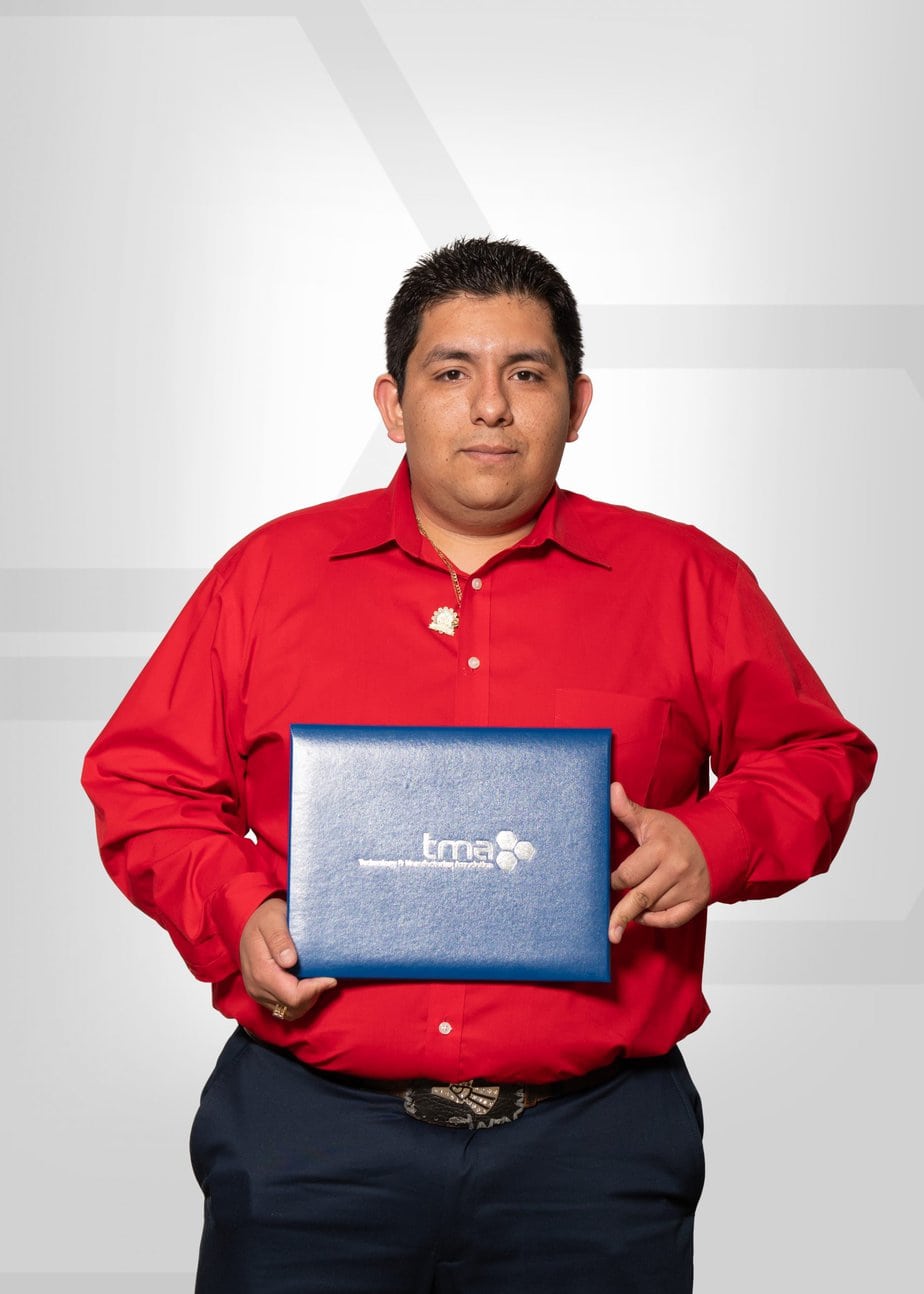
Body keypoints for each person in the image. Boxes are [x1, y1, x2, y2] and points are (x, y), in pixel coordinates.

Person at [82, 237, 876, 1293]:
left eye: (527, 374)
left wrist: (712, 842)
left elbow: (817, 755)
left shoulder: (687, 580)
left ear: (577, 404)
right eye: (452, 371)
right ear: (394, 404)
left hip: (595, 1155)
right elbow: (144, 781)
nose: (491, 406)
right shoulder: (268, 578)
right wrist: (238, 908)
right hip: (307, 1147)